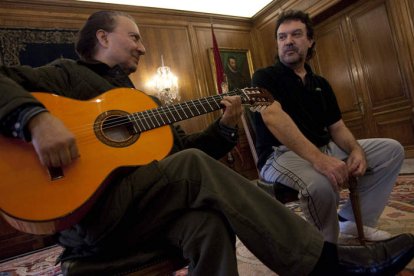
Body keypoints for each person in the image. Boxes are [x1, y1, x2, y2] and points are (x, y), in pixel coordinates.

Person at [0, 10, 413, 276]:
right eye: (135, 37)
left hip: (142, 212)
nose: (144, 47)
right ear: (104, 38)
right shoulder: (67, 76)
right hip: (91, 216)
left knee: (208, 224)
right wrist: (33, 118)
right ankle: (322, 264)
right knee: (193, 167)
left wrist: (226, 126)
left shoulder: (143, 102)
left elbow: (183, 156)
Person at [251, 9, 405, 244]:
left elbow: (337, 127)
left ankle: (350, 223)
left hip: (322, 148)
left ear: (310, 40)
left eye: (296, 35)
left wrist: (355, 150)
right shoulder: (262, 78)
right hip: (278, 156)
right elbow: (272, 117)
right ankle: (325, 252)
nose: (288, 41)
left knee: (391, 150)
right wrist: (319, 160)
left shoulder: (320, 83)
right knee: (322, 185)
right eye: (282, 37)